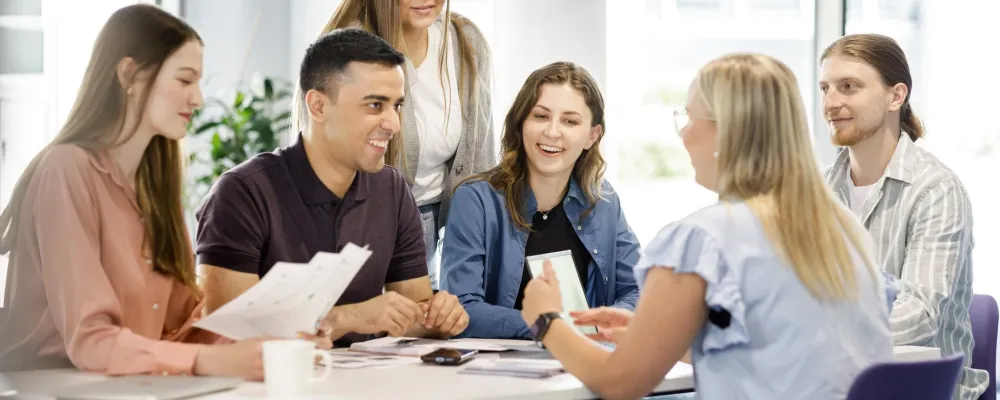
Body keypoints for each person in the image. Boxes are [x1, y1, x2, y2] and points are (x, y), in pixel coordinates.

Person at [519, 53, 896, 400]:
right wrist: (656, 333)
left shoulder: (704, 239)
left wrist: (547, 320)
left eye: (689, 118)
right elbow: (777, 351)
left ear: (725, 131)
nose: (683, 134)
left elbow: (620, 381)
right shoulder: (842, 228)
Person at [0, 4, 326, 379]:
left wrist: (274, 342)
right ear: (129, 75)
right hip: (56, 382)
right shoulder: (65, 170)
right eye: (185, 81)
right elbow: (90, 339)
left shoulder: (154, 185)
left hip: (134, 382)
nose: (199, 99)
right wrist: (207, 361)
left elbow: (185, 327)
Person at [196, 28, 468, 347]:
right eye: (375, 105)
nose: (394, 124)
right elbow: (224, 340)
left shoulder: (391, 189)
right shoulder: (242, 193)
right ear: (319, 106)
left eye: (397, 106)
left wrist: (439, 319)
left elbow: (413, 316)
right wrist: (348, 318)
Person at [819, 33, 986, 399]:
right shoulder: (819, 190)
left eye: (848, 87)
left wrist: (817, 333)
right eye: (825, 89)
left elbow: (920, 315)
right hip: (834, 379)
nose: (831, 103)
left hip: (922, 389)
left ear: (896, 96)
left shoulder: (936, 190)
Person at [441, 62, 640, 339]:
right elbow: (460, 308)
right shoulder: (475, 199)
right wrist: (551, 329)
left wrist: (603, 323)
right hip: (498, 369)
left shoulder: (603, 199)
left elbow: (637, 288)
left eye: (570, 121)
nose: (552, 132)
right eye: (541, 116)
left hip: (585, 360)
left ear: (592, 136)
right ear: (520, 123)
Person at [316, 0, 496, 288]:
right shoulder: (347, 50)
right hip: (360, 233)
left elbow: (481, 158)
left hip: (437, 232)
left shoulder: (466, 41)